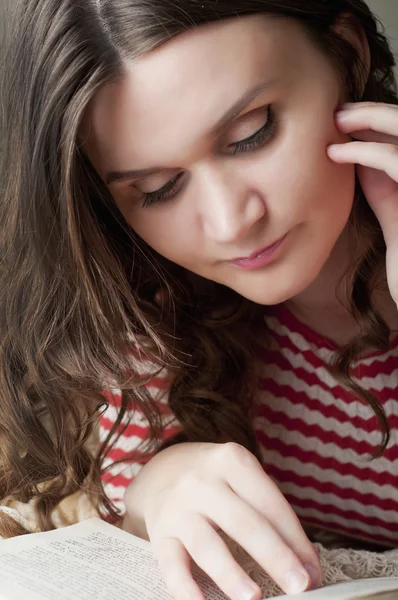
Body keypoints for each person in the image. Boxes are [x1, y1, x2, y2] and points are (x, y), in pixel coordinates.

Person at [1, 0, 398, 598]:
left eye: (251, 132)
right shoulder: (150, 315)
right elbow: (130, 520)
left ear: (348, 52)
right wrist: (155, 489)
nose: (229, 222)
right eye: (158, 189)